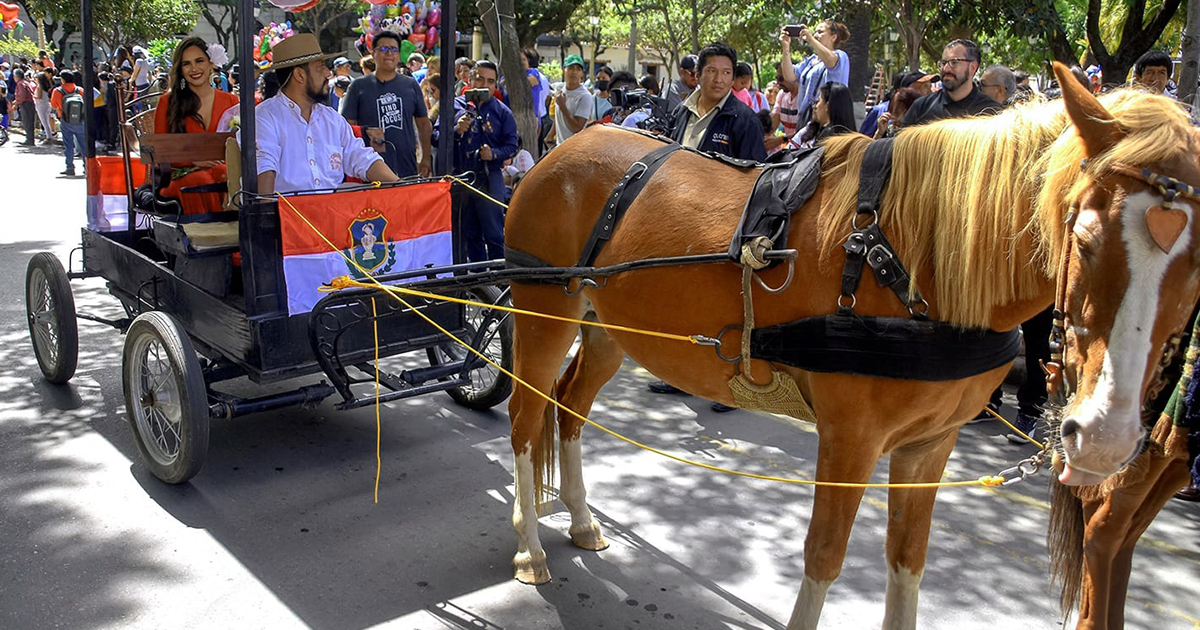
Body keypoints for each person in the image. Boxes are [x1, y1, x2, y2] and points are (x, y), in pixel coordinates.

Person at [255, 33, 399, 195]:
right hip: (287, 215)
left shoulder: (331, 118)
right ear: (299, 75)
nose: (328, 74)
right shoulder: (265, 116)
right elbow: (265, 165)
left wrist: (400, 186)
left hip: (332, 212)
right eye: (320, 67)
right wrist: (263, 213)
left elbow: (360, 157)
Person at [152, 37, 240, 213]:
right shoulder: (167, 102)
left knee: (224, 173)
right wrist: (193, 160)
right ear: (181, 69)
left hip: (222, 170)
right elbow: (158, 152)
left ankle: (235, 233)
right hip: (179, 177)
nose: (194, 68)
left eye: (199, 61)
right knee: (200, 180)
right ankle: (207, 235)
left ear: (211, 63)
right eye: (186, 64)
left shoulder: (231, 101)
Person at [340, 30, 433, 178]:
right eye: (383, 49)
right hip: (370, 168)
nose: (389, 53)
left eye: (393, 49)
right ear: (373, 53)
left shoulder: (410, 85)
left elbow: (423, 124)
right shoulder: (358, 86)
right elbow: (346, 128)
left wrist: (426, 159)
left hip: (406, 166)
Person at [452, 60, 518, 262]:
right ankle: (478, 282)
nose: (484, 85)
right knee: (469, 233)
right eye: (479, 78)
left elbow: (512, 145)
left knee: (494, 233)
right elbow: (436, 136)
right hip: (461, 177)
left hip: (490, 176)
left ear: (496, 84)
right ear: (470, 79)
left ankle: (498, 282)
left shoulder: (502, 112)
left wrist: (495, 154)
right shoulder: (455, 105)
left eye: (491, 81)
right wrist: (456, 130)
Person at [667, 42, 765, 160]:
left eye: (726, 73)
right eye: (711, 71)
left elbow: (754, 174)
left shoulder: (746, 121)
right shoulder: (682, 110)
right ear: (698, 75)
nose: (719, 79)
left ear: (733, 79)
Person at [903, 39, 1000, 126]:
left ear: (972, 68)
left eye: (954, 62)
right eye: (943, 63)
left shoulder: (991, 113)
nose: (946, 68)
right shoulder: (921, 108)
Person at [780, 20, 850, 127]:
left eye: (820, 32)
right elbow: (790, 76)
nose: (816, 35)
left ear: (833, 37)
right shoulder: (811, 60)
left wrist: (811, 40)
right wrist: (785, 47)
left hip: (828, 121)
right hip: (806, 118)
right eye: (815, 32)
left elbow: (830, 61)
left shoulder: (840, 56)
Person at [792, 81, 856, 148]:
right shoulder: (809, 129)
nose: (814, 106)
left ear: (827, 106)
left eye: (818, 101)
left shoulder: (833, 141)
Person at [547, 54, 592, 148]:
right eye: (571, 68)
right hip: (560, 148)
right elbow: (558, 118)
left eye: (578, 69)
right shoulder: (560, 89)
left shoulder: (585, 96)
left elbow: (577, 128)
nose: (574, 72)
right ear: (564, 71)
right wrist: (550, 135)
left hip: (575, 150)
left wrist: (563, 106)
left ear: (582, 74)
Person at [50, 70, 86, 175]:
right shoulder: (80, 90)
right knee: (83, 144)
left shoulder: (57, 91)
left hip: (65, 120)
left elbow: (53, 105)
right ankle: (87, 167)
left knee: (68, 145)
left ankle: (70, 167)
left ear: (63, 79)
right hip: (80, 120)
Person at [522, 49, 551, 120]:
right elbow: (547, 98)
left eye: (523, 59)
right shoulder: (544, 78)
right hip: (543, 115)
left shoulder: (529, 78)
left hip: (531, 118)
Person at [13, 68, 35, 145]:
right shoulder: (25, 82)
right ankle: (29, 139)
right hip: (29, 104)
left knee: (27, 122)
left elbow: (22, 96)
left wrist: (17, 103)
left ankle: (29, 140)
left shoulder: (20, 84)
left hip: (26, 104)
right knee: (28, 121)